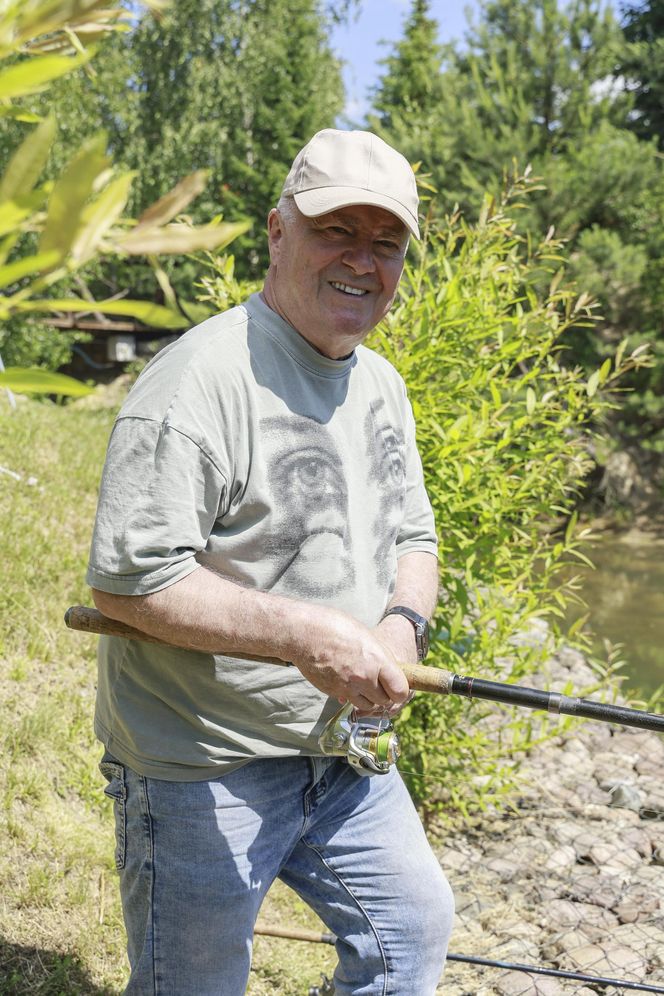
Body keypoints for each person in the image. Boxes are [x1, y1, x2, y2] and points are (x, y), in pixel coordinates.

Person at [87, 128, 454, 996]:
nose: (363, 263)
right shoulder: (197, 381)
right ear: (277, 232)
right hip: (201, 760)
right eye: (338, 232)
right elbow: (131, 581)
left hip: (343, 756)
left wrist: (401, 629)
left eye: (386, 243)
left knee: (409, 935)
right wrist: (304, 635)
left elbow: (415, 539)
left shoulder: (382, 385)